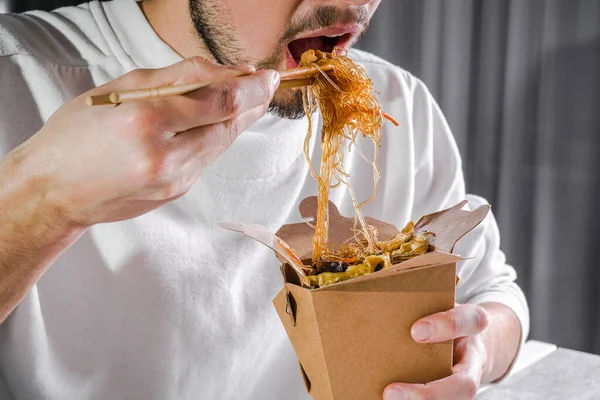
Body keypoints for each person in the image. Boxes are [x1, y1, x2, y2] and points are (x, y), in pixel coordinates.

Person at [0, 0, 529, 399]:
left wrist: (476, 353)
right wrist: (44, 202)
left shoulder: (397, 103)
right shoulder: (14, 76)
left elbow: (493, 293)